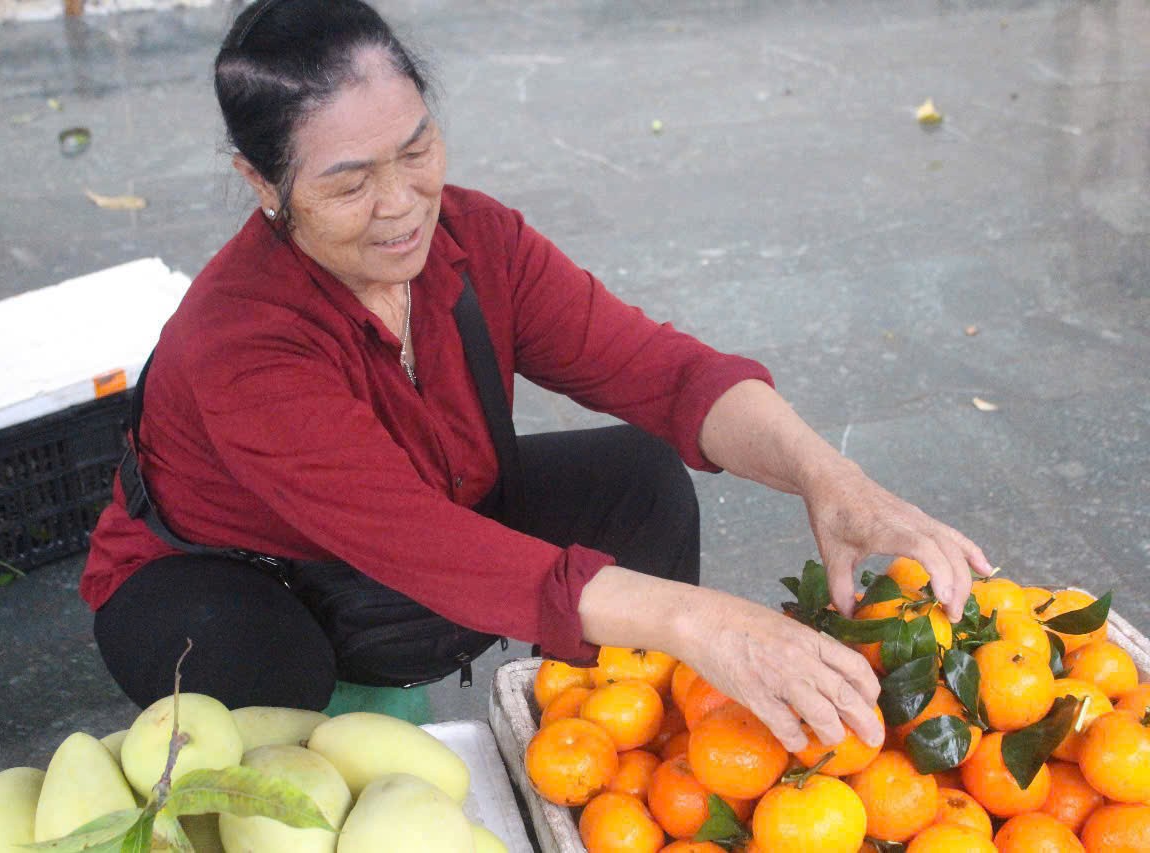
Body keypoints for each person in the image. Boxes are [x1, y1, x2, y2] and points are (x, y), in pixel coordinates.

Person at [81, 0, 993, 751]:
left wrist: (829, 476)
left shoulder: (477, 242)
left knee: (638, 484)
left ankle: (621, 744)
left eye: (416, 149)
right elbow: (427, 545)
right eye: (350, 182)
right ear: (261, 181)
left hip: (420, 534)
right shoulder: (241, 343)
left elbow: (666, 374)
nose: (401, 206)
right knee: (258, 666)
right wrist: (702, 623)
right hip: (236, 580)